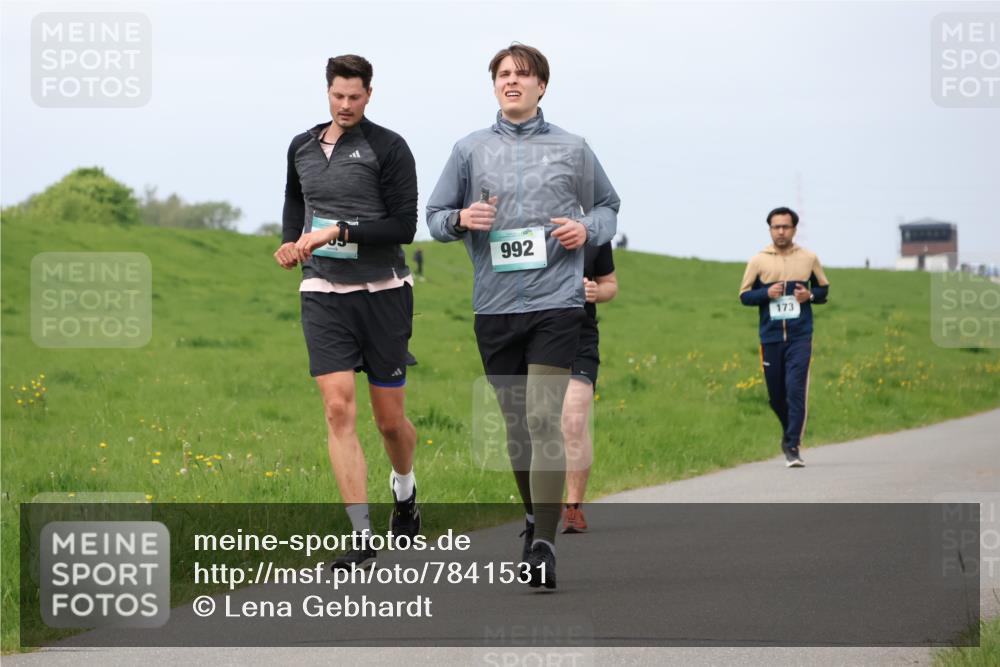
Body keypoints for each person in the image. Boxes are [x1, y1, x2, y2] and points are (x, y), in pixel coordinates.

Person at [427, 44, 619, 589]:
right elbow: (435, 218)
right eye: (504, 75)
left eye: (523, 75)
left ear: (542, 86)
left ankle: (543, 544)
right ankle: (535, 513)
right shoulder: (468, 150)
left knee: (541, 418)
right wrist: (462, 217)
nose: (513, 82)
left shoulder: (573, 148)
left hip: (557, 303)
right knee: (517, 430)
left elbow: (608, 205)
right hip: (494, 306)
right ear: (494, 86)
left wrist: (588, 231)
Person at [273, 54, 420, 569]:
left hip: (383, 293)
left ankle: (404, 492)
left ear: (369, 94)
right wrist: (292, 242)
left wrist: (339, 231)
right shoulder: (301, 147)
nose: (346, 105)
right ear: (327, 92)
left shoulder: (389, 147)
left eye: (355, 96)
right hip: (323, 292)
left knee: (389, 421)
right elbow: (297, 202)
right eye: (338, 96)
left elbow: (404, 226)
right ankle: (361, 535)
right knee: (338, 408)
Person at [739, 207, 829, 467]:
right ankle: (789, 430)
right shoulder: (758, 260)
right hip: (770, 338)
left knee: (795, 391)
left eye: (785, 227)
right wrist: (766, 294)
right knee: (776, 396)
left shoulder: (808, 258)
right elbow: (744, 296)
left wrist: (809, 296)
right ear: (770, 229)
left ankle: (792, 446)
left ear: (794, 229)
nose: (781, 231)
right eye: (776, 227)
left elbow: (823, 289)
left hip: (801, 337)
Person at [561, 242, 617, 533]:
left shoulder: (594, 233)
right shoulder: (525, 220)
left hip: (579, 338)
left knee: (573, 422)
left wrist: (597, 292)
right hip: (530, 336)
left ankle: (572, 509)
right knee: (537, 424)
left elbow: (610, 284)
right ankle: (539, 507)